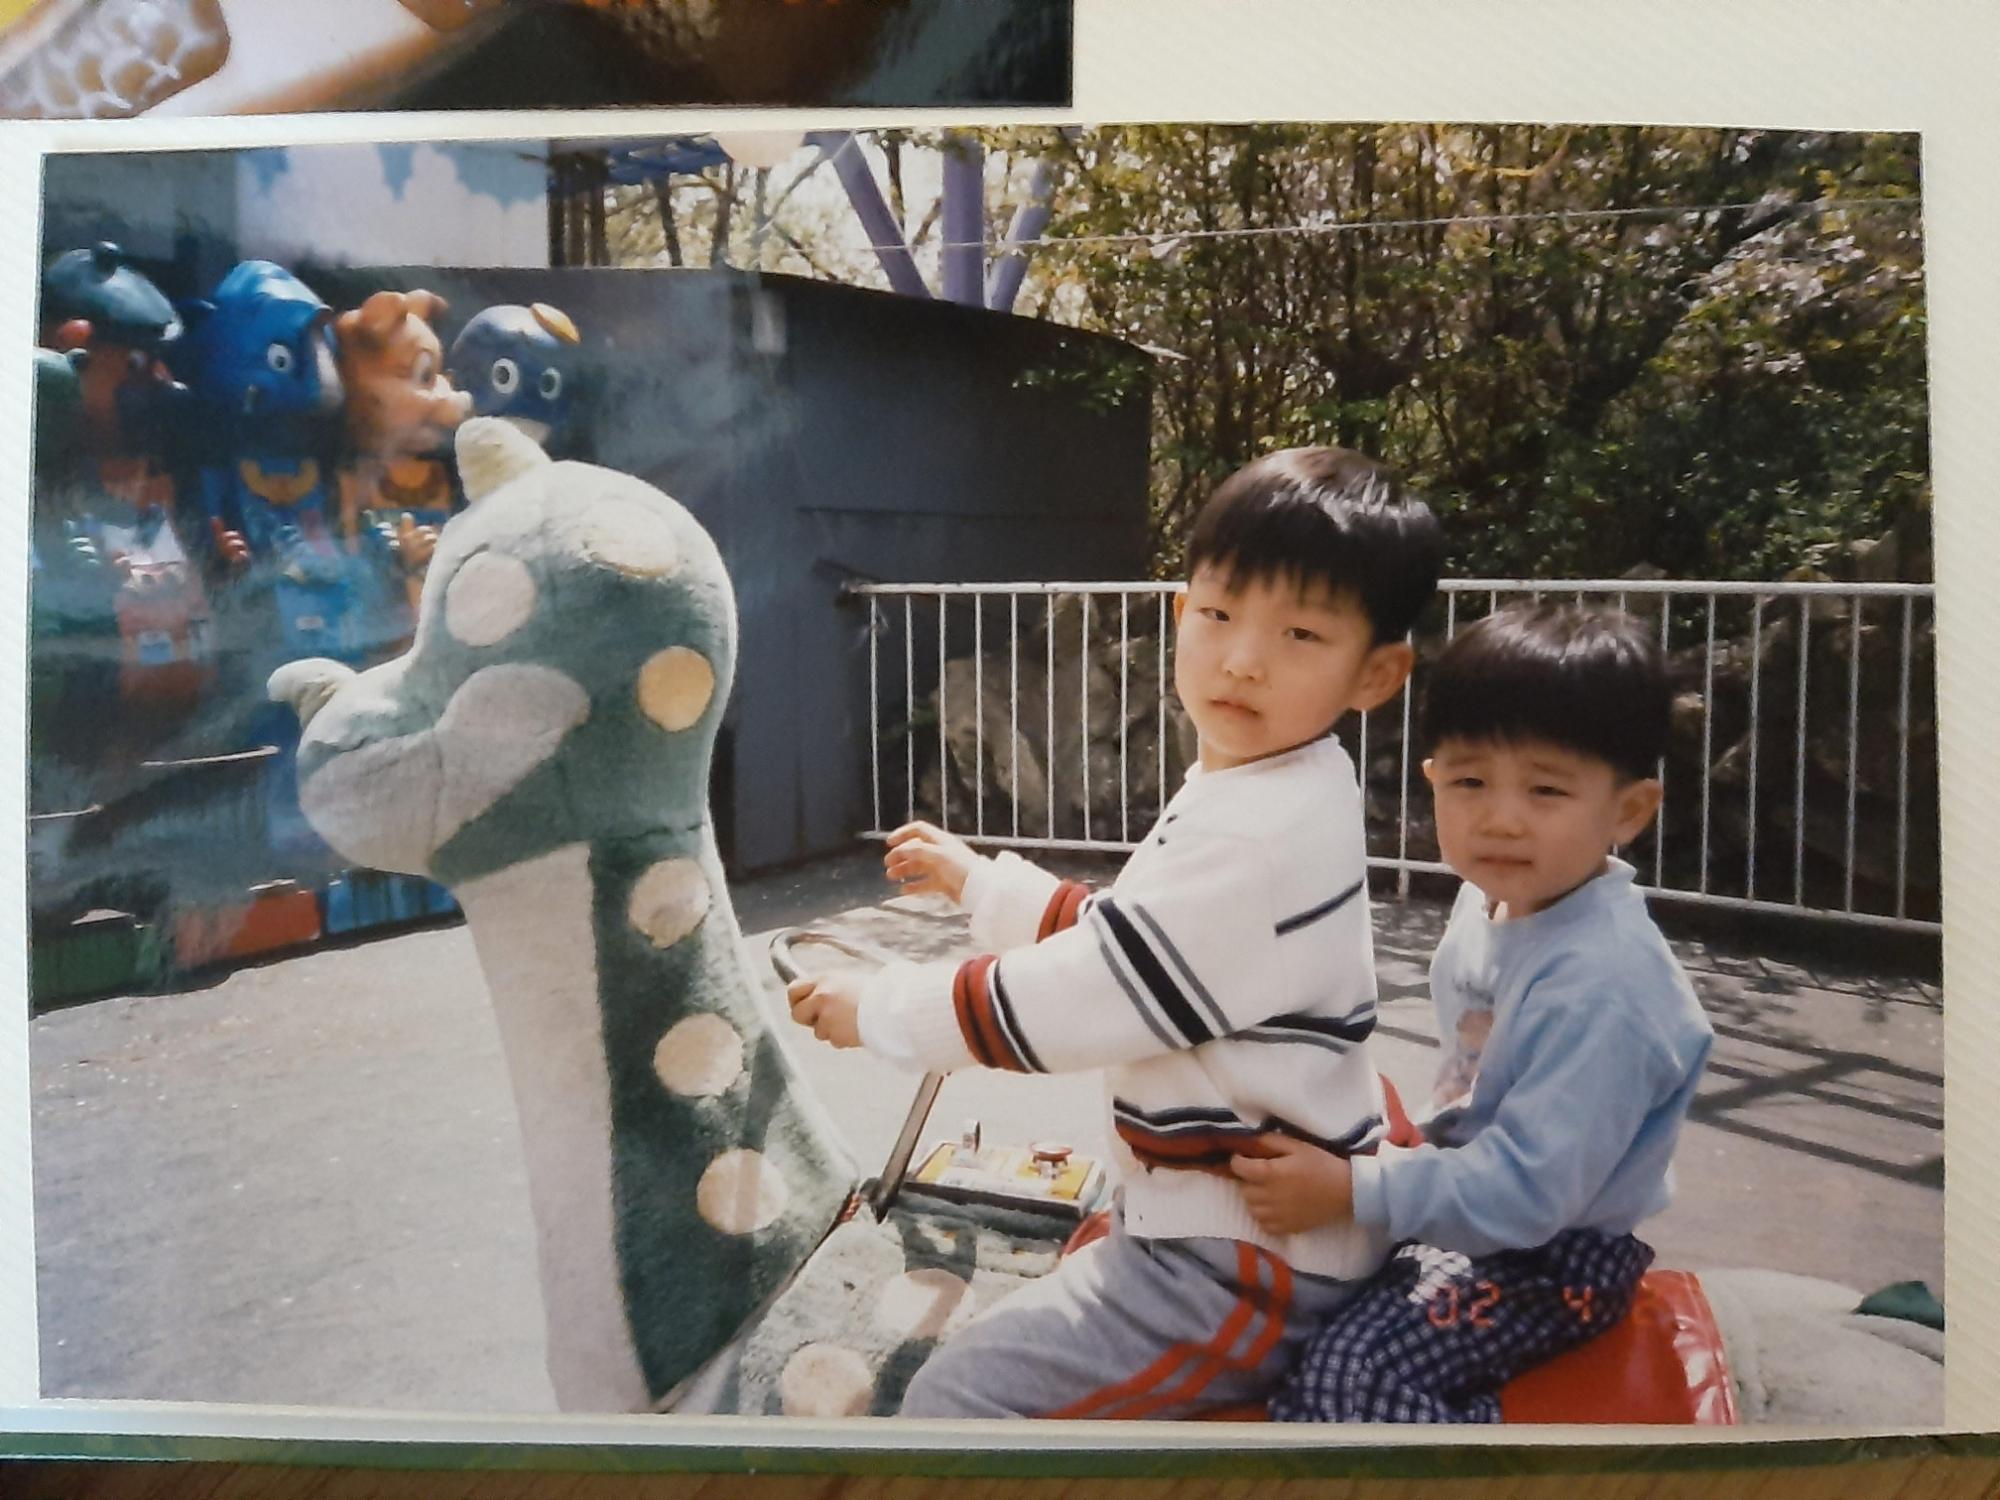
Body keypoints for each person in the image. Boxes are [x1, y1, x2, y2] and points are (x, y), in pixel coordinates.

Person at [788, 446, 1444, 1418]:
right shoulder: (1269, 786)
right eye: (1218, 614)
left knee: (956, 1404)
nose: (1243, 657)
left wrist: (884, 1010)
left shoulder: (1261, 833)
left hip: (1238, 1263)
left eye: (1300, 632)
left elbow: (1092, 994)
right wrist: (984, 885)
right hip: (1218, 1221)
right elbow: (1139, 946)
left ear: (1375, 674)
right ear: (1180, 614)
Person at [1248, 601, 1716, 1424]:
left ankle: (1489, 1461)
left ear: (1629, 810)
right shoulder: (1491, 899)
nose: (1501, 817)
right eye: (1470, 782)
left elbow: (1530, 1193)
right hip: (1470, 1193)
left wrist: (1358, 1189)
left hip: (1551, 1258)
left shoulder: (1605, 986)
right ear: (1433, 779)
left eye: (1546, 788)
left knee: (1348, 1383)